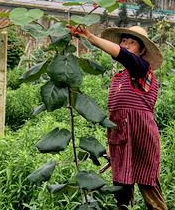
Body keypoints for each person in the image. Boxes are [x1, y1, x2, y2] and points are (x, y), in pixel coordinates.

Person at [69, 24, 167, 210]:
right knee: (122, 190)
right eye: (124, 41)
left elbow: (123, 55)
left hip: (141, 138)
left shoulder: (141, 69)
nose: (127, 45)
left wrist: (90, 37)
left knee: (149, 188)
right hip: (121, 138)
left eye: (132, 43)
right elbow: (116, 114)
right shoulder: (119, 77)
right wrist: (110, 143)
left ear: (142, 50)